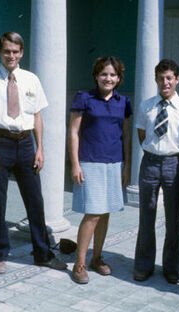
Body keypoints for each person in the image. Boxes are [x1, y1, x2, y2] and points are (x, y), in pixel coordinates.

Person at [0, 32, 67, 274]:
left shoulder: (31, 79)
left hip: (25, 144)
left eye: (15, 51)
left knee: (35, 201)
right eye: (7, 51)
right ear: (0, 52)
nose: (11, 56)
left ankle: (42, 253)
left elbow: (37, 116)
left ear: (21, 52)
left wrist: (40, 148)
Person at [68, 56, 132, 284]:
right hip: (90, 162)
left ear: (119, 78)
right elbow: (73, 132)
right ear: (96, 76)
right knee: (93, 213)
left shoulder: (123, 102)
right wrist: (75, 163)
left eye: (113, 75)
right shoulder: (84, 98)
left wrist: (127, 167)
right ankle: (80, 263)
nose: (108, 78)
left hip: (113, 163)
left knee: (105, 212)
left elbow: (126, 135)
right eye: (104, 74)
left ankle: (97, 258)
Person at [134, 59, 179, 284]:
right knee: (147, 215)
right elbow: (142, 135)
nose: (165, 82)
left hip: (174, 163)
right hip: (150, 162)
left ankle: (171, 268)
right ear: (155, 80)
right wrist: (155, 152)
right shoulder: (146, 106)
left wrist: (172, 153)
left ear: (177, 79)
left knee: (173, 218)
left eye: (169, 78)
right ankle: (143, 265)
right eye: (161, 78)